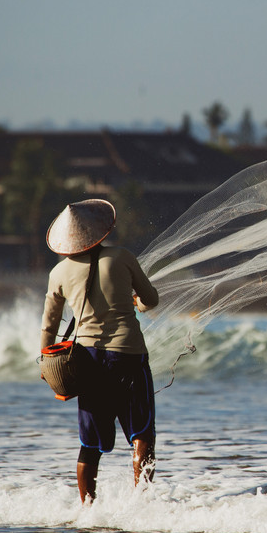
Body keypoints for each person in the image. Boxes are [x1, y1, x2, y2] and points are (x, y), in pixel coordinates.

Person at [40, 199, 161, 504]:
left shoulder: (58, 273)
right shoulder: (121, 257)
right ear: (99, 232)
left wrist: (45, 365)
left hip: (88, 361)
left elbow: (49, 327)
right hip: (129, 354)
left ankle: (88, 510)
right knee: (142, 434)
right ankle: (141, 505)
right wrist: (134, 302)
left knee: (90, 444)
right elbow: (151, 300)